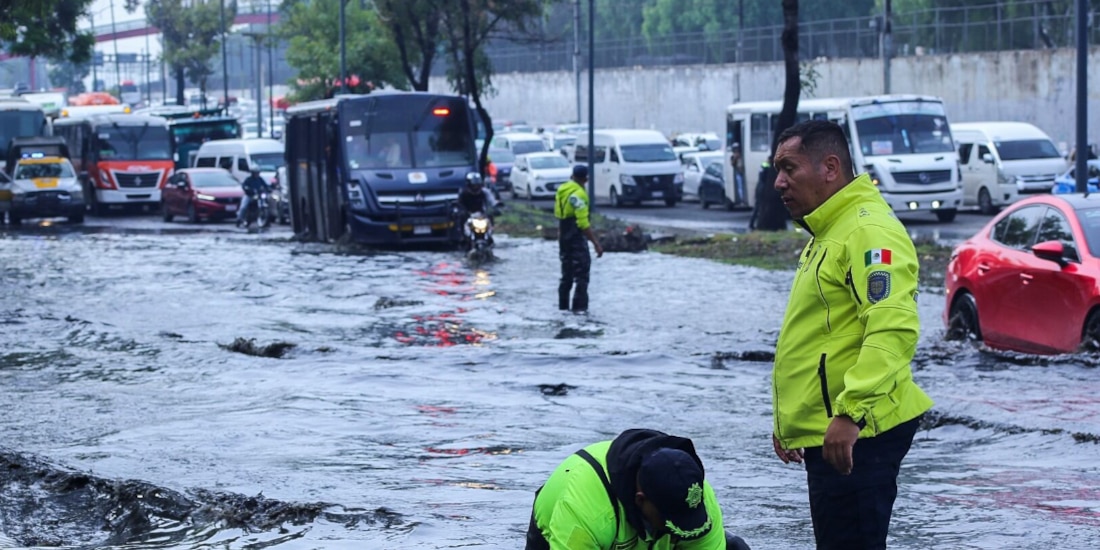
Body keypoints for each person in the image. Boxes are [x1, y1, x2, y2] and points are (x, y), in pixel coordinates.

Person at [769, 120, 934, 550]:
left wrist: (851, 414)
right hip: (833, 430)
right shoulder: (828, 231)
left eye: (789, 168)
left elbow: (892, 326)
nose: (778, 182)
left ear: (830, 167)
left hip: (861, 431)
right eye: (777, 170)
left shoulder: (865, 230)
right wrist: (791, 422)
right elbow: (823, 338)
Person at [526, 428, 751, 550]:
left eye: (687, 519)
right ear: (640, 499)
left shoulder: (693, 492)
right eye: (671, 521)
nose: (679, 530)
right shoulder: (584, 511)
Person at [554, 165, 603, 313]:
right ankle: (579, 310)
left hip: (563, 235)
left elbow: (559, 214)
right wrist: (595, 243)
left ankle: (562, 308)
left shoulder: (562, 190)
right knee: (582, 276)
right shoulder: (579, 195)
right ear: (586, 179)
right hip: (576, 238)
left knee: (566, 275)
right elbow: (583, 223)